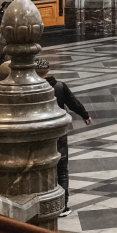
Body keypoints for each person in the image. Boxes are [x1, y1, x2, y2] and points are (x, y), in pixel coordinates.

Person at [34, 58, 91, 216]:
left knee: (41, 167)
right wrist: (85, 115)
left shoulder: (32, 88)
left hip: (40, 134)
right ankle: (63, 205)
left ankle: (43, 202)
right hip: (59, 133)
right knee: (62, 169)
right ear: (48, 70)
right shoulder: (59, 86)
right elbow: (73, 102)